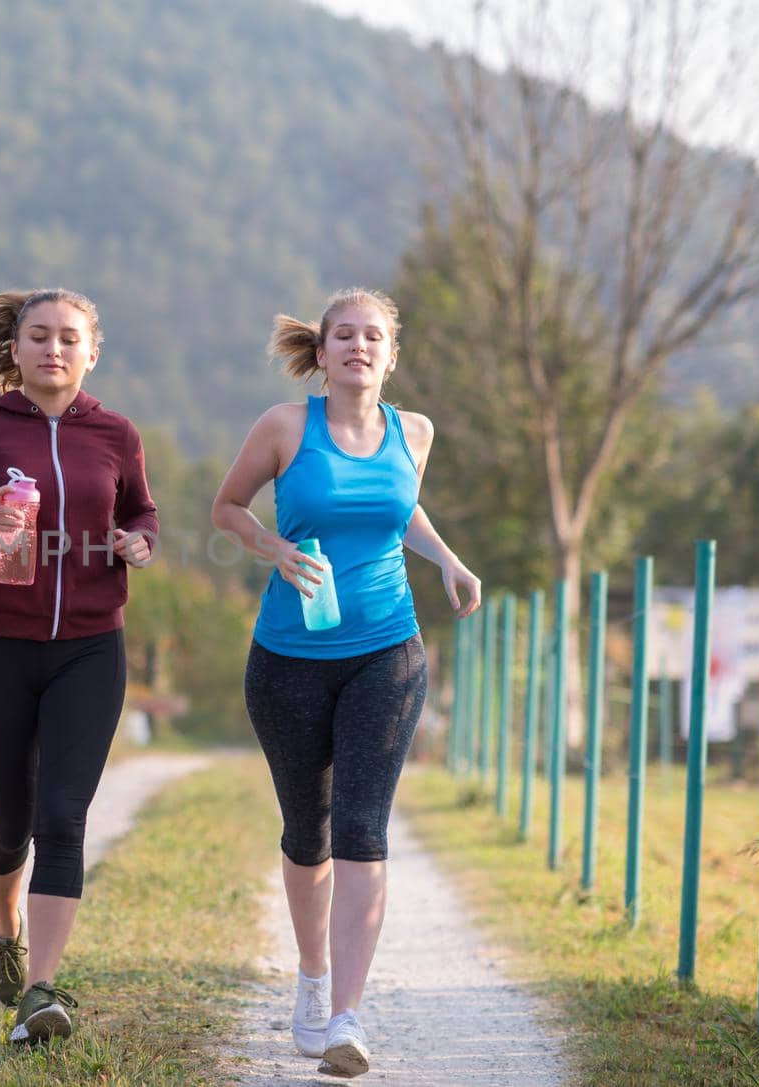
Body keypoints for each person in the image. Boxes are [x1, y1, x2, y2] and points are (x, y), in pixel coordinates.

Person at [211, 288, 479, 1078]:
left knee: (364, 828)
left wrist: (449, 559)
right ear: (322, 352)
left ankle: (346, 1017)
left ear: (392, 355)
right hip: (288, 657)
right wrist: (272, 546)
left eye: (374, 337)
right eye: (344, 336)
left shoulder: (415, 432)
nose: (359, 347)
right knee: (309, 831)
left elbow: (402, 509)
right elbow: (226, 507)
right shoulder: (285, 427)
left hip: (386, 652)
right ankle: (313, 973)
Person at [0, 289, 158, 1045]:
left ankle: (42, 989)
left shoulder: (117, 434)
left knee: (63, 818)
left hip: (90, 646)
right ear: (14, 352)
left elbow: (141, 512)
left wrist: (138, 542)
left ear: (93, 351)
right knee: (10, 824)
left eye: (69, 338)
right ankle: (5, 925)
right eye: (40, 337)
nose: (55, 349)